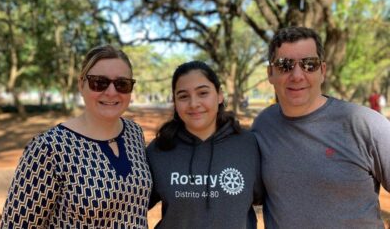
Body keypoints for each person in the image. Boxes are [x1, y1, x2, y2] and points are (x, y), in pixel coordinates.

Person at [251, 26, 390, 228]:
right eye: (284, 65)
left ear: (322, 71)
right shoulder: (263, 125)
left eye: (309, 64)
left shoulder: (363, 124)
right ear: (270, 73)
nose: (297, 75)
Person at [0, 45, 152, 228]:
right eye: (99, 82)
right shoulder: (48, 147)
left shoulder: (134, 133)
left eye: (122, 84)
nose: (112, 92)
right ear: (81, 84)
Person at [147, 61, 263, 228]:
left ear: (220, 95)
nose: (194, 103)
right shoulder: (160, 149)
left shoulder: (249, 145)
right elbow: (132, 206)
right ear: (175, 101)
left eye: (203, 93)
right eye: (183, 96)